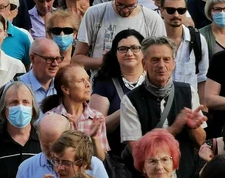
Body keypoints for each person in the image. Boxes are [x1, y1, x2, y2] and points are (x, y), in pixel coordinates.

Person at [121, 36, 206, 178]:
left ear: (174, 63)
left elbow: (201, 140)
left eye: (166, 59)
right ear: (144, 64)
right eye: (155, 60)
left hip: (186, 172)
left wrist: (194, 127)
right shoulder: (130, 100)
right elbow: (136, 150)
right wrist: (174, 128)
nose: (161, 65)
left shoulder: (188, 92)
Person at [74, 0, 165, 70]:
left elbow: (160, 59)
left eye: (131, 5)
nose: (125, 10)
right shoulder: (94, 14)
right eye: (120, 5)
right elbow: (77, 59)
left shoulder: (152, 19)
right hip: (103, 81)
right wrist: (106, 61)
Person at [90, 29, 145, 157]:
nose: (129, 53)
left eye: (135, 48)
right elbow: (97, 127)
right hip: (118, 157)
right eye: (123, 49)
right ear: (115, 53)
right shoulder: (104, 82)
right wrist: (125, 110)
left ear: (144, 51)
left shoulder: (154, 80)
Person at [40, 65, 109, 161]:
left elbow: (101, 160)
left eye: (88, 79)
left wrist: (94, 138)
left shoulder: (96, 117)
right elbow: (49, 156)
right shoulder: (51, 118)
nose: (88, 84)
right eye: (80, 81)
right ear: (65, 89)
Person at [15, 113, 109, 178]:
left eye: (57, 145)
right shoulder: (26, 168)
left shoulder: (95, 165)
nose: (52, 152)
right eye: (46, 146)